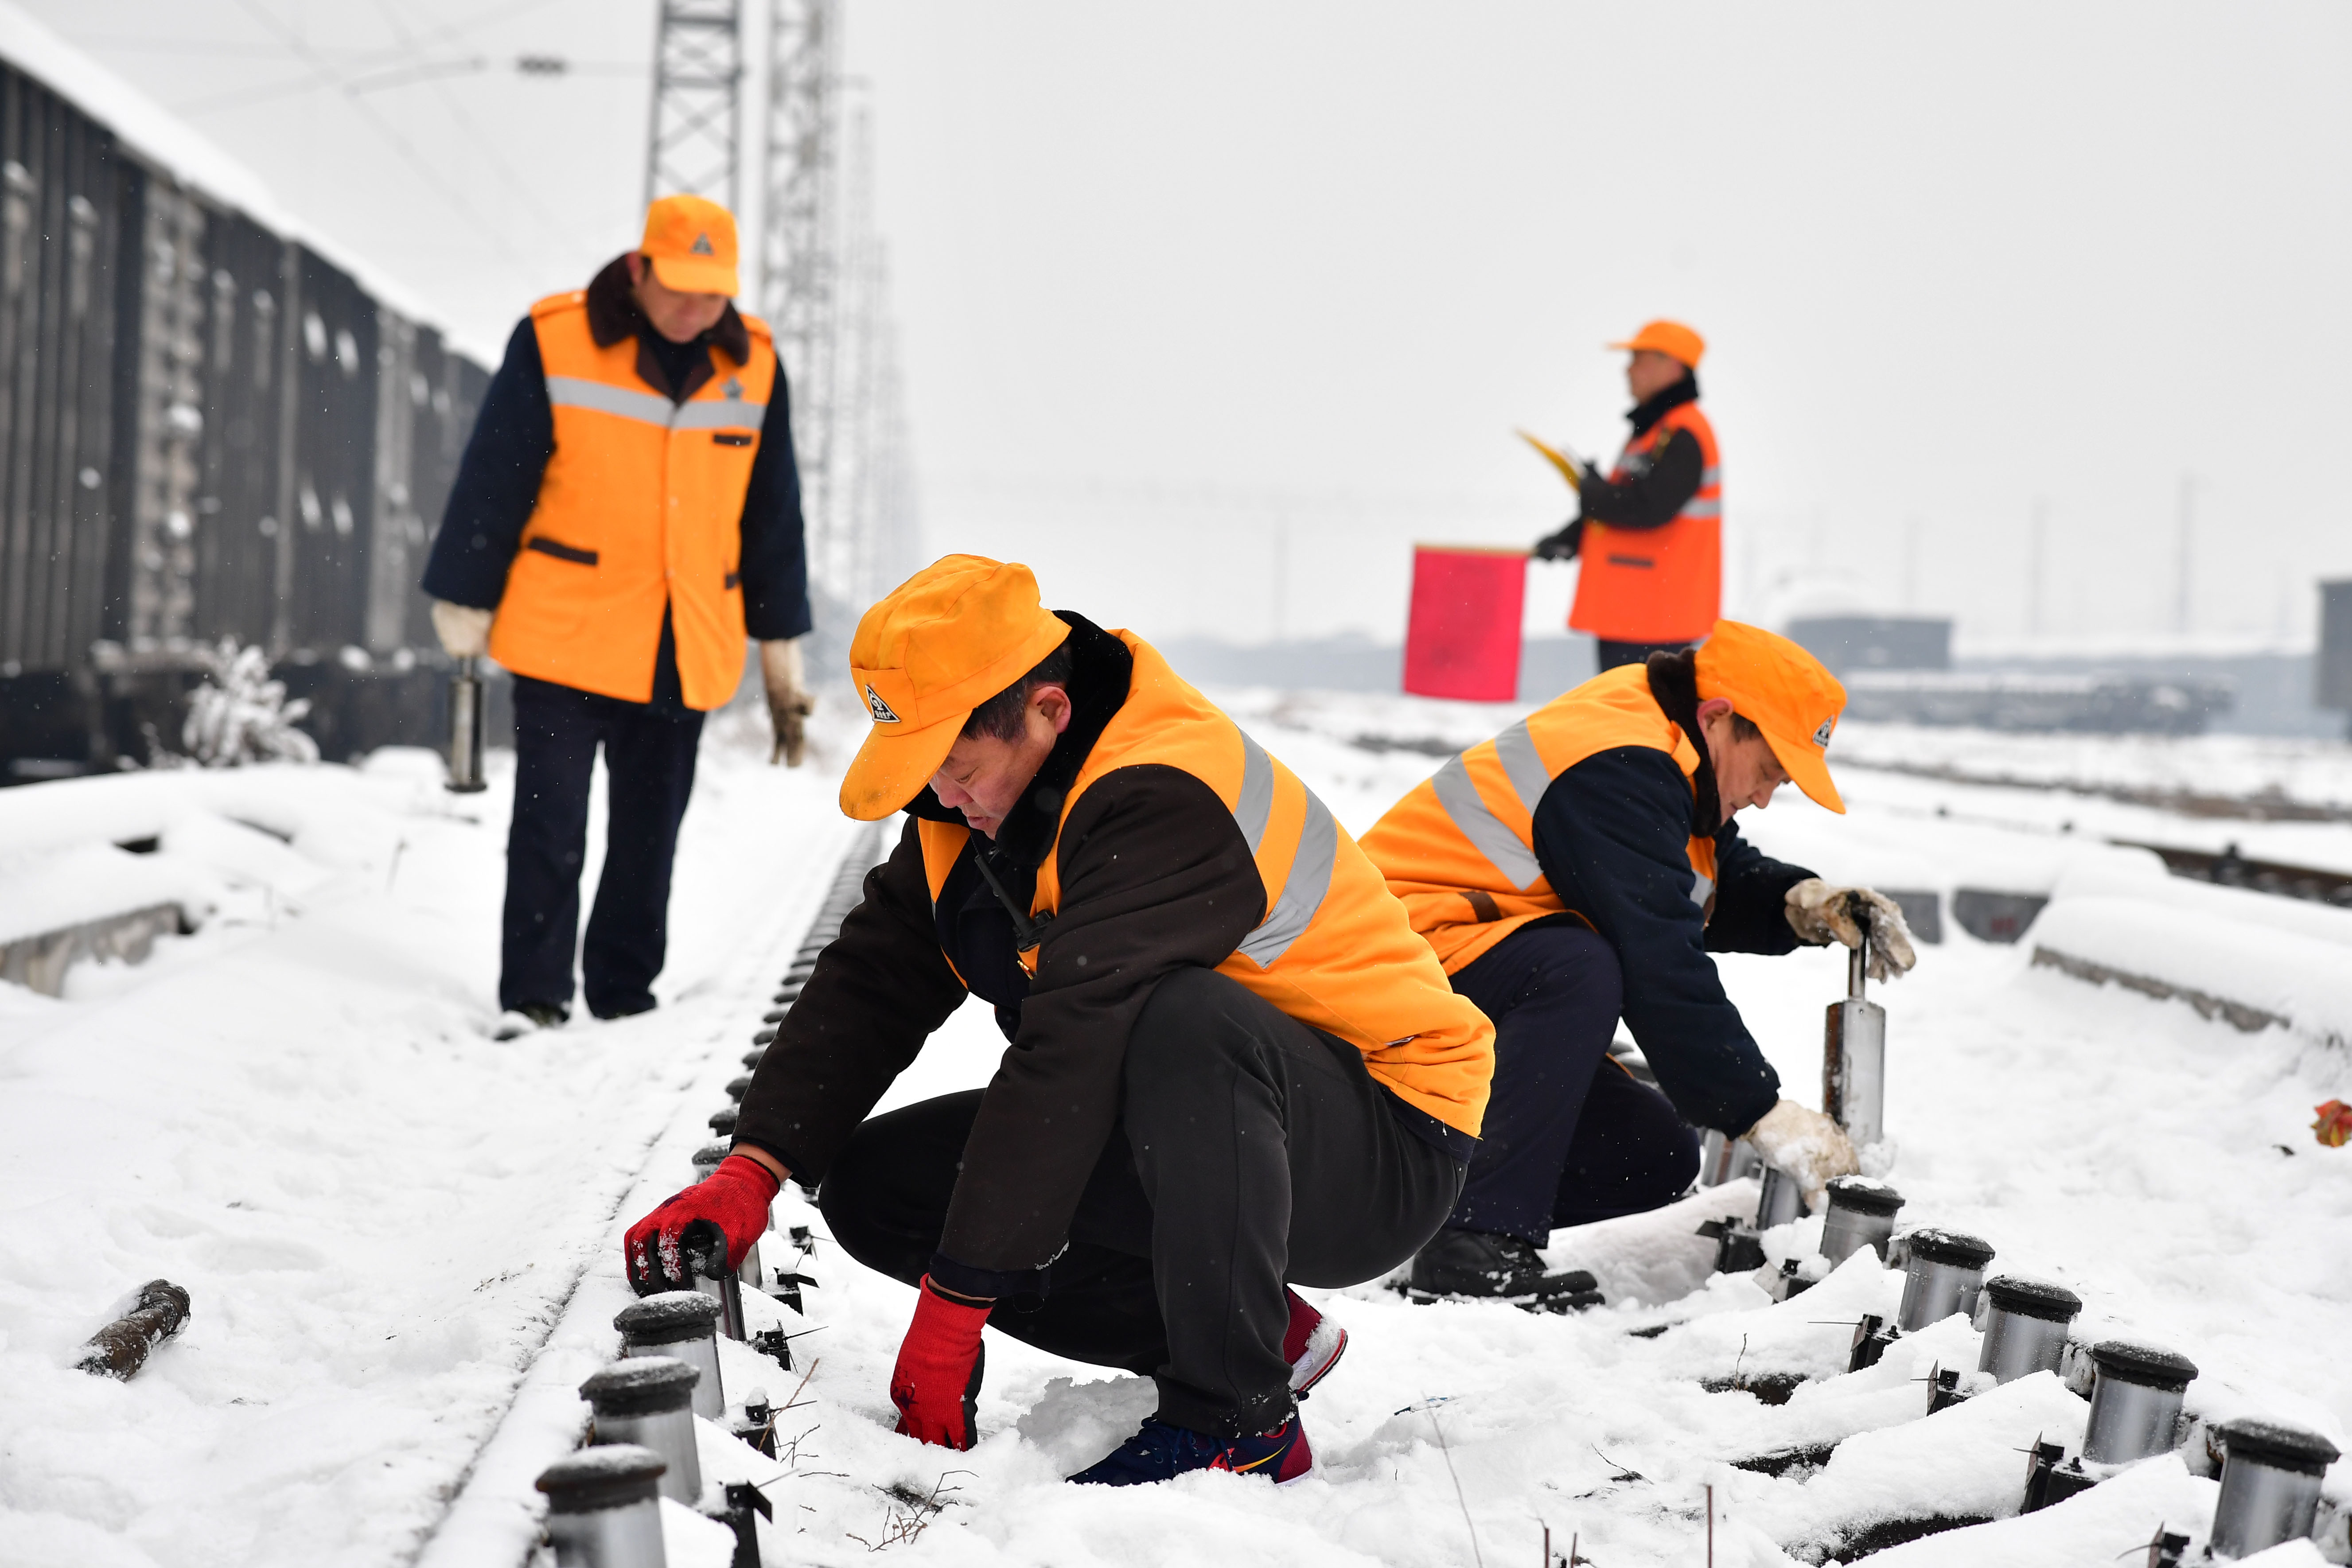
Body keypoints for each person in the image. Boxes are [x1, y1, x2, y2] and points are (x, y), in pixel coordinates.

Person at [621, 555, 1495, 1485]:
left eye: (959, 769)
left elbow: (1071, 1057)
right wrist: (757, 1162)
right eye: (926, 775)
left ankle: (1238, 1415)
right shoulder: (971, 802)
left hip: (1379, 1140)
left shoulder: (1165, 788)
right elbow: (880, 971)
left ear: (1048, 710)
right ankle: (1259, 1330)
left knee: (1180, 1016)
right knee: (883, 1186)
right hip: (1211, 1127)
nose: (947, 798)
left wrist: (954, 1306)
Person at [1357, 622, 1917, 1306]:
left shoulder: (1666, 752)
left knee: (1651, 1152)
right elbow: (1656, 953)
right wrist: (1762, 1111)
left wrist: (1798, 901)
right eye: (1770, 770)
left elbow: (1685, 876)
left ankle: (1414, 1217)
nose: (1768, 795)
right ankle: (1474, 1243)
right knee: (1583, 963)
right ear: (1719, 719)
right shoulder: (1618, 760)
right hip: (1389, 970)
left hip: (1470, 971)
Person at [421, 195, 815, 1039]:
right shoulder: (557, 340)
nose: (693, 309)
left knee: (649, 836)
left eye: (712, 295)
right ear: (640, 270)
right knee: (550, 822)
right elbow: (498, 474)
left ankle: (622, 994)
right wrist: (464, 591)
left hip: (686, 639)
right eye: (678, 290)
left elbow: (772, 514)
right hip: (565, 628)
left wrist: (779, 645)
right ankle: (533, 994)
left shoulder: (756, 366)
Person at [1532, 319, 1722, 672]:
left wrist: (1592, 493)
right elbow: (1624, 501)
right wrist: (1573, 535)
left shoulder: (1684, 432)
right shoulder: (1654, 431)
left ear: (1673, 365)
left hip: (1657, 615)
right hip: (1635, 612)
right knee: (1627, 721)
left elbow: (1649, 507)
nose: (1628, 369)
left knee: (1638, 724)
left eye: (1639, 358)